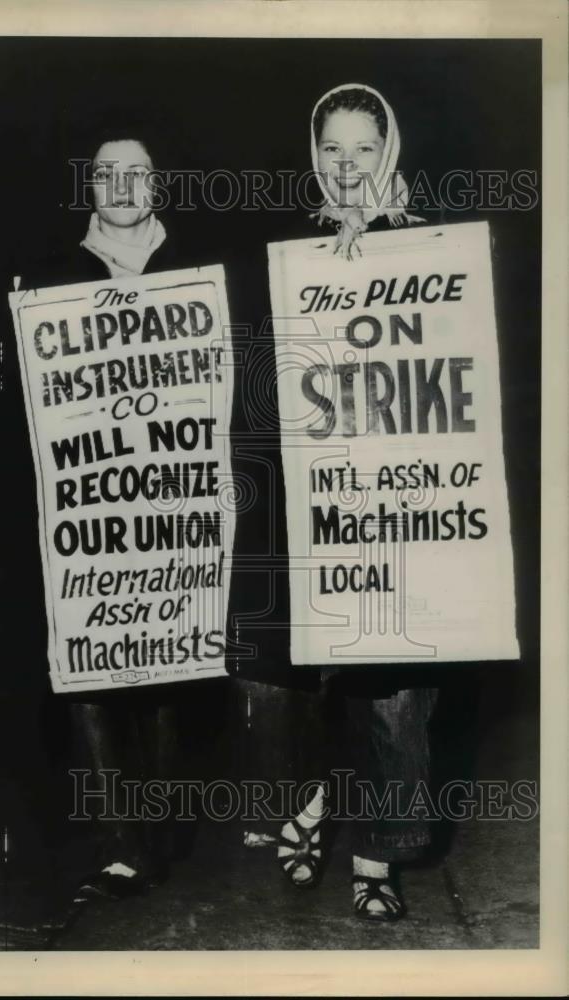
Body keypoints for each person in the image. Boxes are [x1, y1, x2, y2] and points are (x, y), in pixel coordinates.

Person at [229, 83, 438, 923]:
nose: (346, 167)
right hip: (299, 495)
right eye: (330, 150)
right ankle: (304, 802)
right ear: (311, 154)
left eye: (361, 148)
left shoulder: (430, 246)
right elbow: (252, 374)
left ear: (387, 151)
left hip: (392, 500)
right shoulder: (281, 247)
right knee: (287, 679)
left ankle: (376, 855)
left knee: (390, 686)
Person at [17, 123, 219, 900]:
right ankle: (122, 845)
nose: (124, 186)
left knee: (170, 675)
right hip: (88, 510)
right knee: (90, 676)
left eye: (139, 173)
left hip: (172, 509)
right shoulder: (47, 277)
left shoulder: (200, 271)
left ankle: (162, 830)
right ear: (90, 188)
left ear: (158, 186)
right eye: (108, 173)